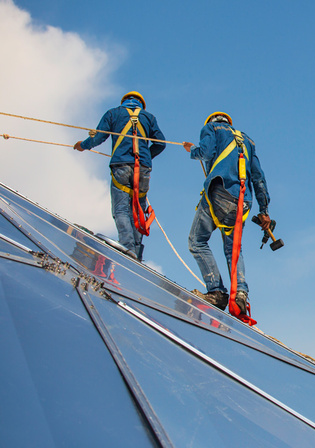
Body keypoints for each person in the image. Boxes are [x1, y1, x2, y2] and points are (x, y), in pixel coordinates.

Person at [183, 111, 270, 316]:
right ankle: (240, 294)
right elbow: (258, 178)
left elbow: (205, 152)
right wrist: (264, 210)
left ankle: (216, 291)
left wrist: (192, 151)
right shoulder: (247, 141)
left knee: (197, 241)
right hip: (242, 201)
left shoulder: (211, 128)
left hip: (219, 193)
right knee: (233, 249)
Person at [74, 91, 165, 261]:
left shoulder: (113, 113)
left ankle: (127, 249)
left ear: (125, 101)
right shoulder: (149, 117)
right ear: (141, 104)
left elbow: (99, 137)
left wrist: (83, 145)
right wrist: (146, 157)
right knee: (138, 211)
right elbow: (160, 143)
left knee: (121, 209)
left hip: (121, 165)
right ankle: (136, 254)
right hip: (143, 169)